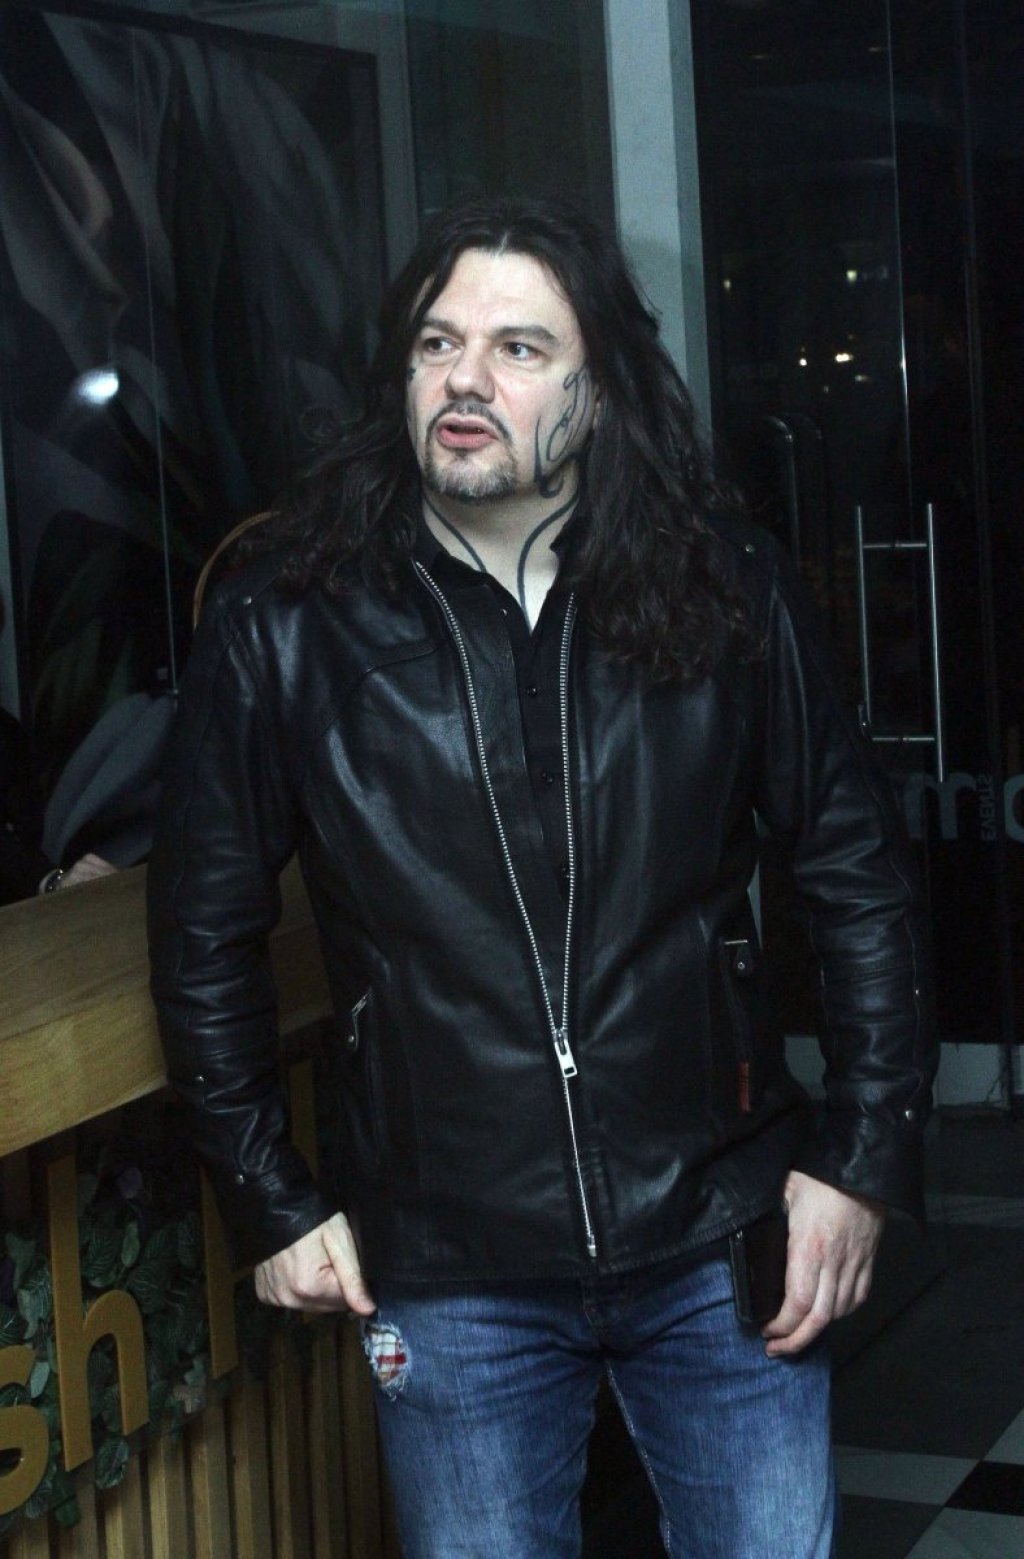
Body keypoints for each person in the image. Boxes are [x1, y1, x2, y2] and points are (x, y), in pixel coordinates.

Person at [147, 195, 936, 1559]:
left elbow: (855, 874)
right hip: (449, 1263)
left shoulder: (725, 587)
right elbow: (202, 934)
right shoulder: (286, 623)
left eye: (518, 348)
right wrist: (272, 1198)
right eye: (437, 344)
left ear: (600, 388)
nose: (464, 380)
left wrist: (861, 1160)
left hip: (719, 1228)